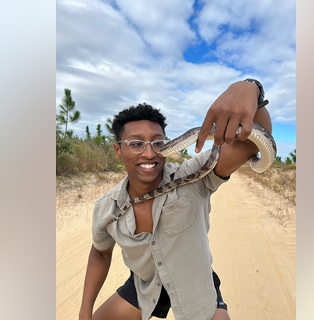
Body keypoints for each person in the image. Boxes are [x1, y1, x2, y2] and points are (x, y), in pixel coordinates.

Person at [79, 79, 272, 320]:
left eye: (158, 143)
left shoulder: (192, 176)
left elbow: (253, 141)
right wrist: (84, 312)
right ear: (118, 150)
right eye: (136, 144)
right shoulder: (107, 206)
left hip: (197, 286)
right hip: (145, 285)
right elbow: (99, 252)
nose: (150, 153)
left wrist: (251, 88)